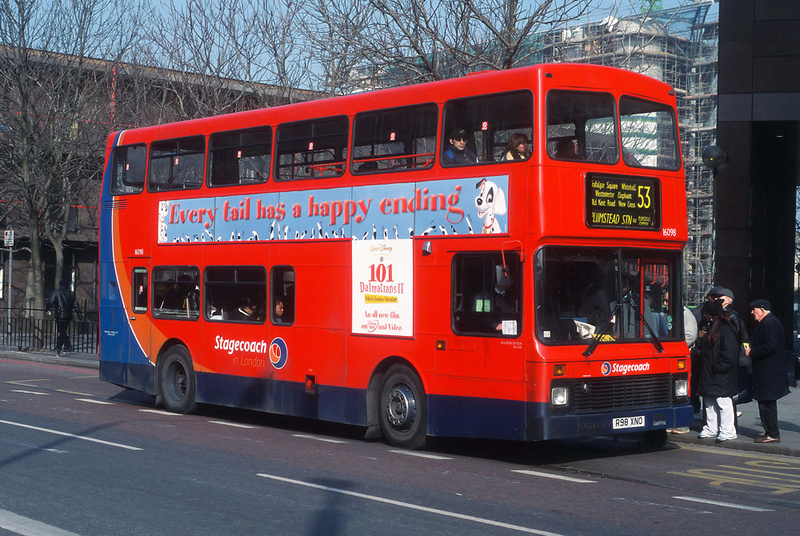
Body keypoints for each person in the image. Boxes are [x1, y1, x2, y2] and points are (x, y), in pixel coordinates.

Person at [745, 299, 790, 443]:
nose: (752, 313)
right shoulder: (771, 321)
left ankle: (772, 433)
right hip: (769, 371)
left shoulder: (769, 323)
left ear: (762, 309)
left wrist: (752, 352)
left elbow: (770, 346)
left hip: (768, 372)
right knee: (766, 403)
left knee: (767, 404)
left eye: (754, 309)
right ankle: (770, 432)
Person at [696, 299, 739, 442]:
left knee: (723, 402)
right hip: (710, 372)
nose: (704, 317)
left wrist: (718, 368)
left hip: (720, 373)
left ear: (712, 315)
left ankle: (728, 430)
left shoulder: (726, 329)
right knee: (709, 401)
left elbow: (730, 354)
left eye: (706, 314)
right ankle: (711, 428)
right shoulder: (712, 328)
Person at [46, 278, 83, 356]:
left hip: (59, 315)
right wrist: (79, 314)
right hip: (68, 314)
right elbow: (75, 305)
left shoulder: (57, 292)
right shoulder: (71, 293)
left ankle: (61, 347)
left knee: (61, 331)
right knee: (62, 331)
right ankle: (65, 346)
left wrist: (47, 309)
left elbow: (50, 302)